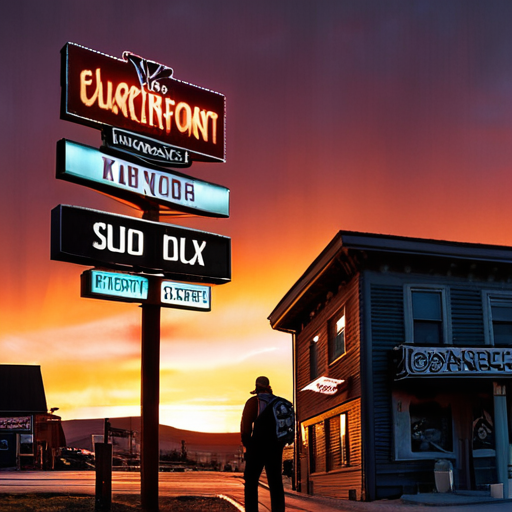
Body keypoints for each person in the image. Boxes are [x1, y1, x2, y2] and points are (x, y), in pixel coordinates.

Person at [241, 376, 285, 512]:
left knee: (251, 482)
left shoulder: (253, 402)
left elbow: (245, 427)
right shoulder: (279, 403)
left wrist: (248, 445)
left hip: (257, 448)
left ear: (256, 388)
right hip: (275, 448)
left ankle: (252, 510)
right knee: (276, 483)